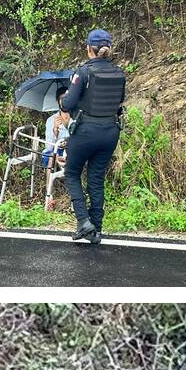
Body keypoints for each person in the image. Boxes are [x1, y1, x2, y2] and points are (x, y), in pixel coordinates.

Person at [60, 28, 127, 244]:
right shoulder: (119, 73)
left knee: (71, 173)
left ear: (89, 49)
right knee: (96, 179)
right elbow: (120, 101)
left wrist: (64, 100)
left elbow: (68, 104)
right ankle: (96, 230)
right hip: (110, 132)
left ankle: (83, 221)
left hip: (86, 131)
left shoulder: (83, 72)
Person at [43, 87, 70, 211]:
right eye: (62, 99)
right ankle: (49, 197)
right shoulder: (51, 120)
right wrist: (55, 130)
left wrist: (66, 125)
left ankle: (73, 200)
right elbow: (49, 146)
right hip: (55, 150)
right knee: (50, 159)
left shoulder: (75, 117)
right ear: (58, 101)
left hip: (71, 150)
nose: (64, 102)